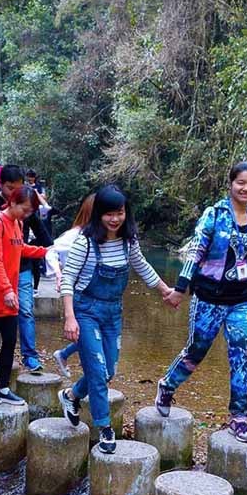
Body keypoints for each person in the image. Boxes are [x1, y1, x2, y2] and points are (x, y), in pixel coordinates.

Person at [155, 161, 247, 443]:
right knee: (197, 350)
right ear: (231, 184)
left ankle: (239, 417)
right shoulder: (215, 214)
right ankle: (167, 385)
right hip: (209, 296)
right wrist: (181, 288)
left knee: (240, 354)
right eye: (240, 183)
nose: (246, 188)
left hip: (243, 300)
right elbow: (195, 252)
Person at [58, 186, 173, 453]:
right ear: (98, 214)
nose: (114, 219)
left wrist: (165, 290)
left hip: (112, 313)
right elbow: (67, 280)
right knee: (98, 373)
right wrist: (69, 317)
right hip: (85, 311)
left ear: (126, 213)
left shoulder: (128, 241)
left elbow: (142, 266)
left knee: (109, 371)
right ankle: (105, 428)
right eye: (109, 214)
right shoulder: (85, 243)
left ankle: (72, 395)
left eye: (119, 213)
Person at [0, 165, 53, 374]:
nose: (13, 191)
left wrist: (49, 250)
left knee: (23, 314)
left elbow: (35, 233)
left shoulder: (22, 212)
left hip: (20, 268)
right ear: (0, 186)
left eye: (18, 187)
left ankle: (29, 356)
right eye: (9, 188)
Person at [46, 193, 95, 377]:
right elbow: (50, 251)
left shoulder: (102, 237)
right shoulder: (75, 235)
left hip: (92, 295)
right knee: (86, 334)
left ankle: (65, 355)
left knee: (89, 334)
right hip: (75, 293)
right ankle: (83, 371)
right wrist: (59, 274)